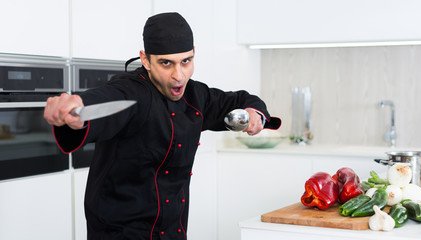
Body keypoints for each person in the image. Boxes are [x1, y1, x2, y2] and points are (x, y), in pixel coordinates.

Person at [44, 12, 281, 240]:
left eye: (186, 61)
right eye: (166, 63)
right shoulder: (132, 93)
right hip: (119, 232)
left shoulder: (197, 96)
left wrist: (253, 113)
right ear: (146, 60)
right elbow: (104, 99)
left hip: (172, 230)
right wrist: (76, 108)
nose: (179, 75)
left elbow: (240, 100)